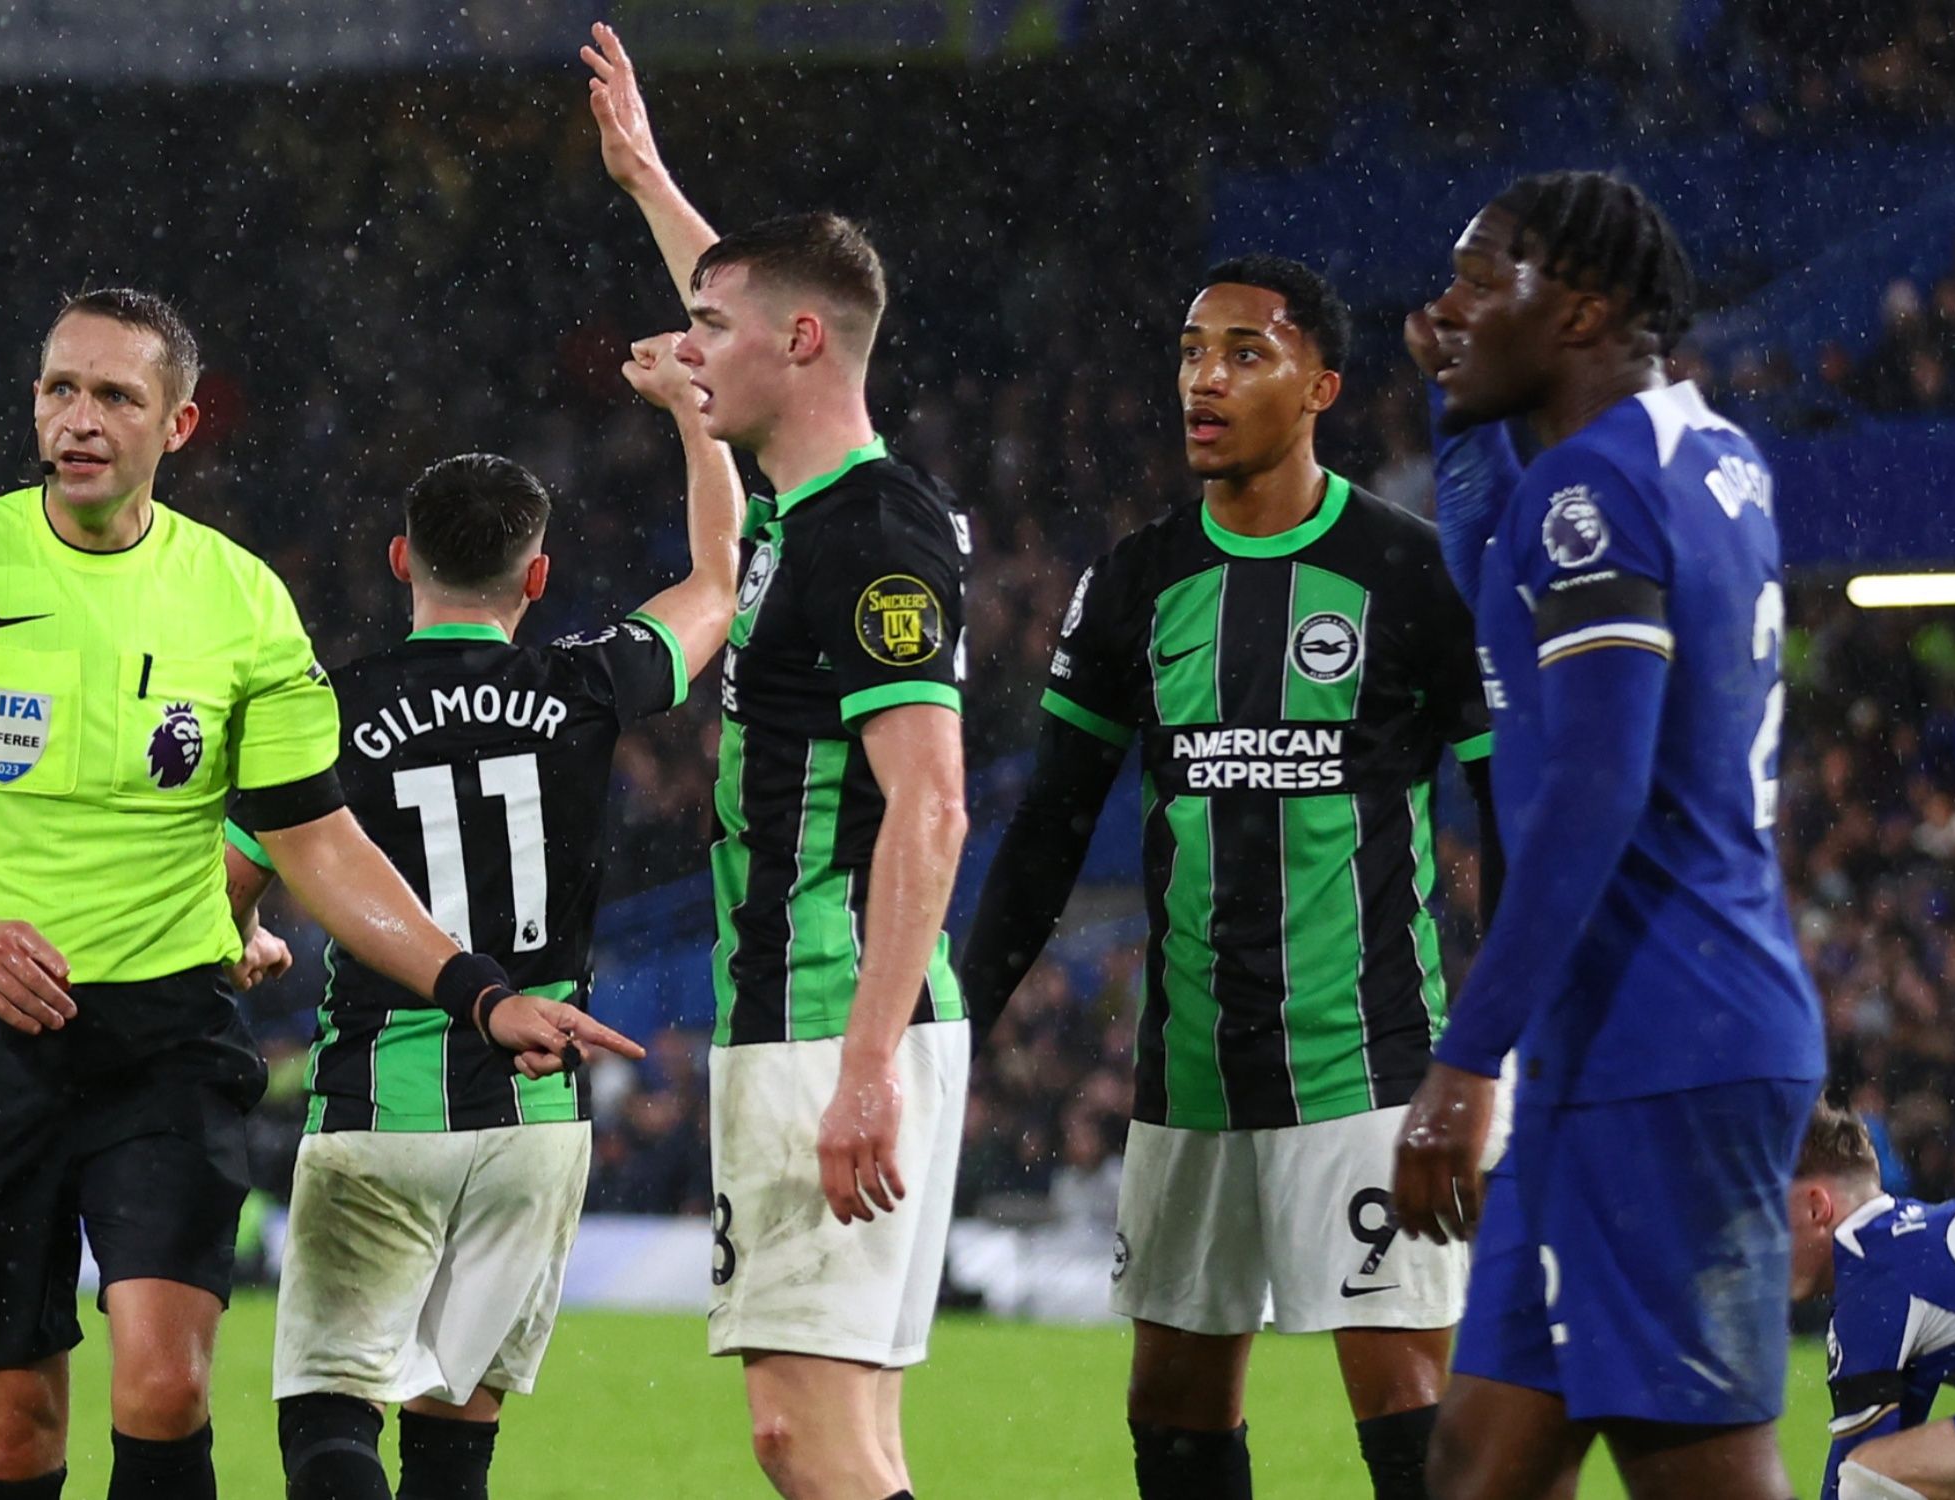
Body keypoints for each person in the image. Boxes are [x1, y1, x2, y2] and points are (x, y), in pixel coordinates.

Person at [0, 287, 638, 1500]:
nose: (78, 418)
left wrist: (476, 990)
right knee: (12, 1434)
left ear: (178, 424)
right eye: (58, 388)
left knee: (165, 1386)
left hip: (165, 1037)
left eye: (114, 396)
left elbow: (320, 840)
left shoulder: (242, 600)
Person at [959, 254, 1498, 1500]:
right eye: (1193, 351)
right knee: (1174, 1407)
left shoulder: (1413, 574)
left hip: (1368, 1059)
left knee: (1410, 1404)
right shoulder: (1136, 582)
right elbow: (1047, 826)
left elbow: (1512, 829)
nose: (1205, 378)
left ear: (1321, 383)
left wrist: (1487, 1060)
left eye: (1245, 353)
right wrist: (961, 1023)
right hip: (1189, 1070)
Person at [227, 334, 742, 1500]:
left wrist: (250, 939)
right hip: (536, 1120)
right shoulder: (581, 685)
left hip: (376, 1104)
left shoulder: (330, 710)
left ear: (403, 557)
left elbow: (226, 892)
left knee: (328, 1421)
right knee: (456, 1442)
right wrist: (693, 416)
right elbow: (719, 579)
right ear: (539, 578)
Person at [1387, 170, 1826, 1500]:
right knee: (1476, 1468)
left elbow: (1593, 789)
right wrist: (1462, 418)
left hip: (1663, 1048)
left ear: (1579, 311)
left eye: (1481, 278)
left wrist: (1467, 1062)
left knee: (1697, 1475)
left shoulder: (1598, 492)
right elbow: (1499, 594)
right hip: (1625, 1046)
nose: (1445, 307)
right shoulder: (1704, 456)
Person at [588, 26, 971, 1500]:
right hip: (799, 1013)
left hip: (833, 1018)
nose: (690, 349)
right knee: (842, 1434)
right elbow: (742, 303)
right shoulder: (811, 510)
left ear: (801, 345)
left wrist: (867, 1064)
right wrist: (646, 178)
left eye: (716, 331)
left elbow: (929, 804)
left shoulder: (871, 538)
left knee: (804, 1441)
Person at [1787, 1102, 1955, 1500]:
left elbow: (1858, 1480)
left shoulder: (1871, 1279)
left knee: (1873, 1472)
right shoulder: (1915, 1244)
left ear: (1818, 1207)